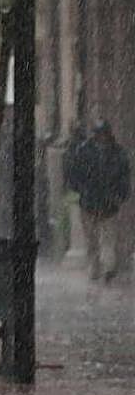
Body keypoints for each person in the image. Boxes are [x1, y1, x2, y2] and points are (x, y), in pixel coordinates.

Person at [65, 120, 131, 281]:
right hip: (90, 202)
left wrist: (120, 195)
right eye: (99, 135)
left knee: (108, 237)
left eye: (104, 135)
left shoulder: (117, 153)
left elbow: (124, 177)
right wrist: (80, 190)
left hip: (108, 203)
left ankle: (108, 267)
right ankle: (96, 267)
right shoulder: (85, 152)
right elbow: (74, 174)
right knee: (92, 239)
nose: (102, 139)